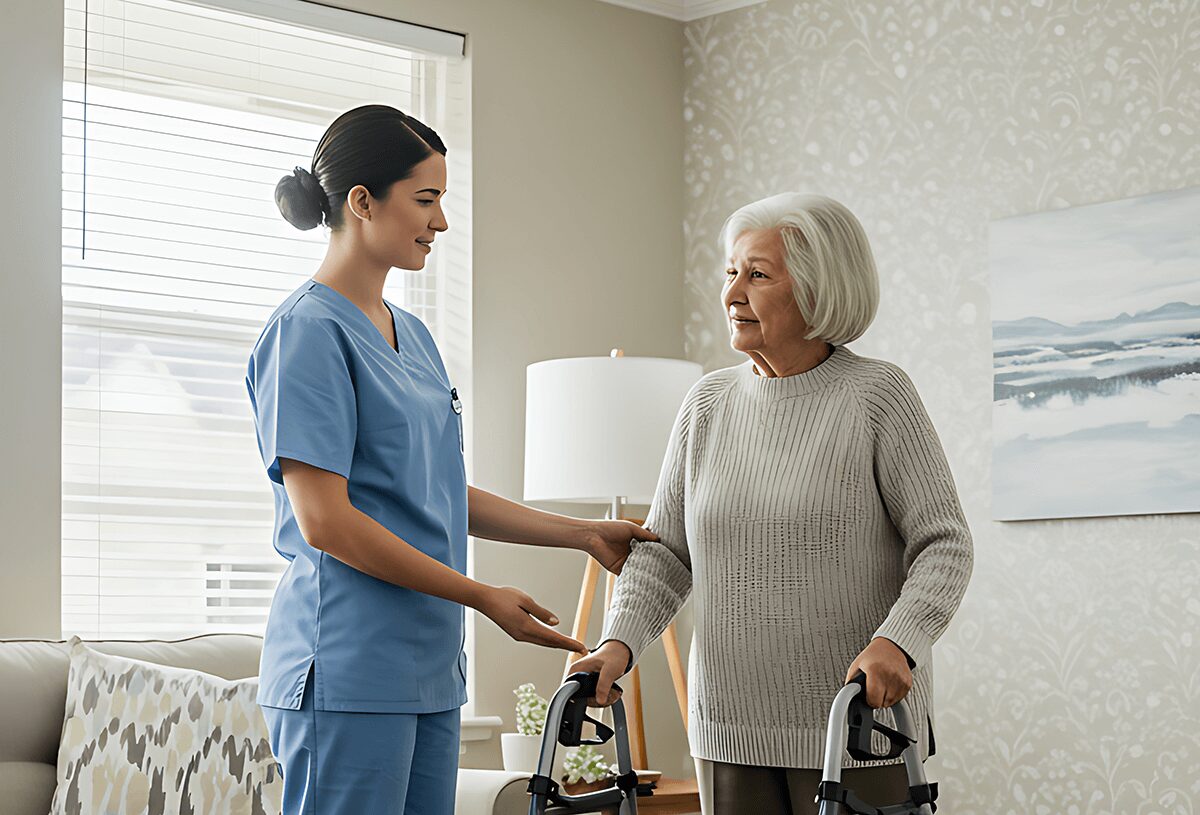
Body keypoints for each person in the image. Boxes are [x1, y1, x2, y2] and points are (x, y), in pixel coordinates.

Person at [244, 104, 657, 815]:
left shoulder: (417, 336)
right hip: (345, 667)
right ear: (362, 202)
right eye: (426, 200)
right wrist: (482, 597)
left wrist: (581, 533)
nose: (440, 223)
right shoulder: (306, 333)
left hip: (429, 670)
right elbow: (326, 523)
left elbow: (435, 490)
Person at [570, 193, 974, 815]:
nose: (733, 292)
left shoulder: (877, 396)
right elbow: (665, 554)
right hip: (728, 727)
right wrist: (616, 646)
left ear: (818, 290)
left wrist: (900, 641)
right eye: (730, 273)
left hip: (860, 726)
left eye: (758, 275)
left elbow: (943, 544)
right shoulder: (706, 405)